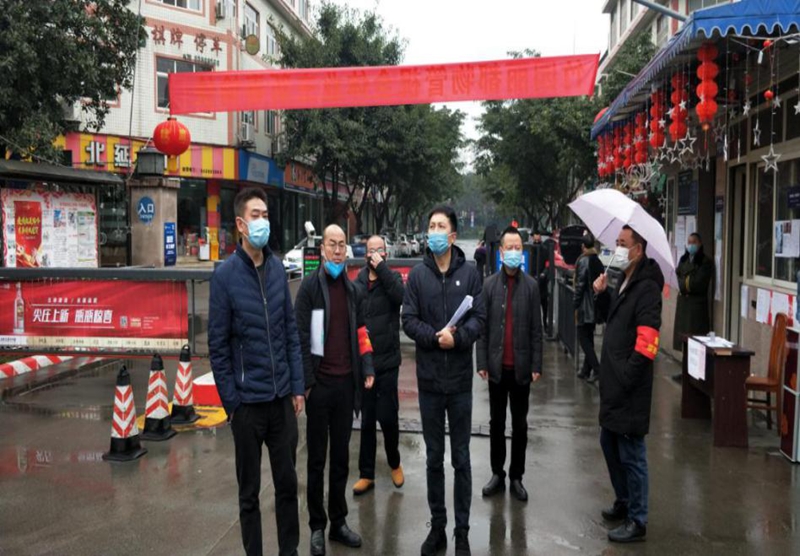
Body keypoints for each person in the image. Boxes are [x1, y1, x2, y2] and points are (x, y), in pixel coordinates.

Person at [208, 187, 304, 556]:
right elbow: (218, 347)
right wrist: (232, 404)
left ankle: (288, 551)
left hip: (281, 401)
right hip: (247, 406)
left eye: (266, 215)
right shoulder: (225, 276)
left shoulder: (278, 268)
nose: (263, 221)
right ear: (240, 224)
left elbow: (290, 333)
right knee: (248, 495)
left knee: (287, 486)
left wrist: (297, 386)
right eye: (256, 215)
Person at [402, 205, 485, 556]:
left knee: (461, 459)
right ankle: (438, 527)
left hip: (460, 383)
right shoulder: (418, 277)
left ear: (452, 236)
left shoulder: (470, 274)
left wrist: (459, 338)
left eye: (440, 226)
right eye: (431, 225)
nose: (433, 231)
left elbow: (479, 318)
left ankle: (461, 532)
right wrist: (435, 338)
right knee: (434, 458)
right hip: (430, 383)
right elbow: (408, 319)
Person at [295, 224, 376, 556]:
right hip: (319, 386)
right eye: (332, 244)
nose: (338, 250)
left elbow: (362, 332)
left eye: (342, 245)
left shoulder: (353, 290)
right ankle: (317, 526)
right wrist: (306, 384)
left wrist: (367, 367)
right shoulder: (309, 288)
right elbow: (300, 337)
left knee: (341, 458)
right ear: (322, 249)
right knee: (317, 460)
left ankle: (338, 522)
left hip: (345, 386)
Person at [593, 225, 663, 544]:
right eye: (617, 242)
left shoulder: (647, 288)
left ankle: (638, 519)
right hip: (613, 384)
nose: (618, 248)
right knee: (609, 443)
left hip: (629, 387)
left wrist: (625, 376)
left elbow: (647, 343)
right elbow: (609, 319)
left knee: (632, 454)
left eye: (623, 243)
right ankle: (624, 499)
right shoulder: (623, 279)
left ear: (638, 249)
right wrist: (601, 293)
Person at [476, 226, 543, 503]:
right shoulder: (489, 285)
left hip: (521, 368)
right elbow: (482, 328)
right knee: (496, 424)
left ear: (522, 251)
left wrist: (536, 364)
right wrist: (481, 361)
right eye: (509, 248)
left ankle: (517, 476)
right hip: (496, 368)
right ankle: (497, 473)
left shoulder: (532, 286)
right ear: (501, 252)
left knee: (520, 425)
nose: (514, 252)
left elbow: (537, 330)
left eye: (518, 248)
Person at [352, 235, 405, 495]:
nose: (374, 254)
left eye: (379, 250)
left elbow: (400, 297)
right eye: (370, 250)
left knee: (388, 417)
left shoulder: (392, 278)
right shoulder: (358, 283)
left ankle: (394, 462)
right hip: (366, 362)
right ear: (364, 255)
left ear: (385, 253)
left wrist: (381, 269)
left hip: (388, 361)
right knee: (367, 420)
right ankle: (366, 473)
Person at [672, 233, 714, 380]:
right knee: (684, 340)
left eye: (694, 242)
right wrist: (684, 282)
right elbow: (677, 276)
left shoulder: (705, 261)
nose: (691, 245)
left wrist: (684, 283)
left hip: (696, 307)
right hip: (684, 304)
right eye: (689, 242)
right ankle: (685, 372)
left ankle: (695, 374)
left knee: (695, 340)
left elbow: (697, 283)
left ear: (700, 243)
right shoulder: (684, 259)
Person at [573, 233, 605, 382]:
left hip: (585, 307)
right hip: (595, 306)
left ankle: (597, 369)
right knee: (589, 337)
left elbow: (580, 285)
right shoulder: (597, 261)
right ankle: (586, 370)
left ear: (583, 246)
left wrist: (575, 304)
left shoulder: (583, 261)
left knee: (583, 339)